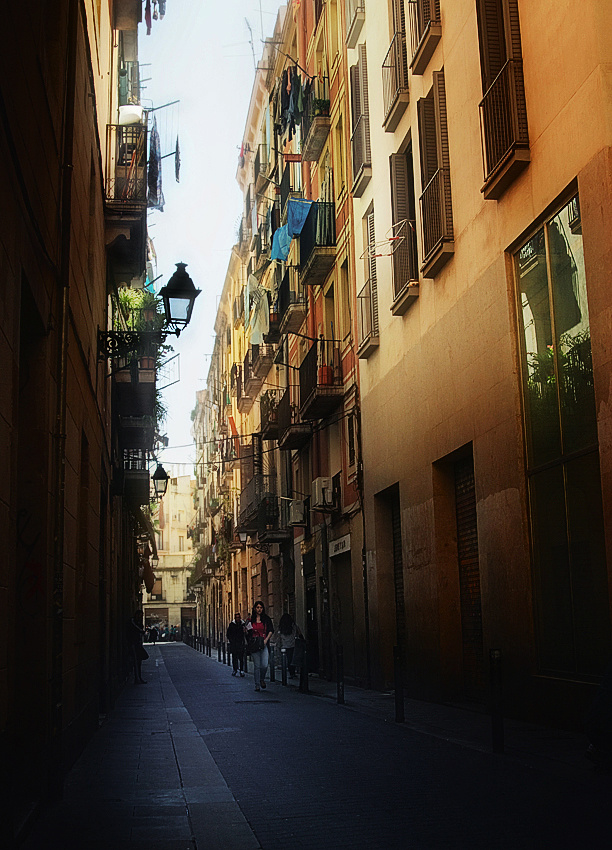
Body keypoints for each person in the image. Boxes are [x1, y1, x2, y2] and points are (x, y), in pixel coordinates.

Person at [246, 601, 274, 692]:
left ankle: (262, 678)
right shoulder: (251, 620)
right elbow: (248, 633)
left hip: (263, 643)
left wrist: (266, 640)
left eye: (261, 607)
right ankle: (257, 684)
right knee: (257, 665)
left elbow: (271, 630)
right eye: (257, 607)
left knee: (265, 664)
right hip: (254, 644)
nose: (259, 609)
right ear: (255, 609)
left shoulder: (266, 619)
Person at [276, 613, 303, 678]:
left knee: (288, 659)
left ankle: (291, 673)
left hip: (284, 645)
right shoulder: (294, 626)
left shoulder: (281, 627)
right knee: (292, 659)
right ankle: (293, 672)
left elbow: (278, 636)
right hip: (293, 644)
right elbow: (299, 633)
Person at [127, 609, 147, 684]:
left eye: (142, 616)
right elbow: (138, 629)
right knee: (135, 661)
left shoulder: (139, 622)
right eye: (140, 615)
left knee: (139, 662)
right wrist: (141, 631)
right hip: (133, 644)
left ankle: (138, 678)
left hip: (138, 644)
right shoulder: (132, 621)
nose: (140, 617)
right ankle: (137, 678)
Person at [227, 612, 247, 677]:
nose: (238, 619)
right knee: (234, 658)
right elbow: (228, 634)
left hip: (241, 644)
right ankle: (234, 669)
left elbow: (247, 634)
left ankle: (241, 670)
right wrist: (231, 641)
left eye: (239, 617)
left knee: (241, 658)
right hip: (234, 644)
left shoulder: (243, 624)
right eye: (237, 617)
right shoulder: (232, 625)